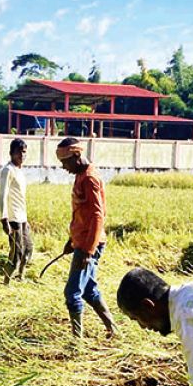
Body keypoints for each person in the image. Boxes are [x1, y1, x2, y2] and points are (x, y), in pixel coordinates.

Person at [56, 137, 119, 338]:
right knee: (89, 289)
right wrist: (71, 241)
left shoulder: (90, 178)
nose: (64, 167)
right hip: (82, 242)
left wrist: (88, 251)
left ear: (76, 156)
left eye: (65, 163)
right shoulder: (80, 175)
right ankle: (114, 330)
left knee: (72, 292)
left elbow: (97, 216)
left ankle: (77, 340)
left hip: (89, 244)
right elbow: (81, 215)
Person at [0, 139, 32, 283]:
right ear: (11, 153)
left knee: (28, 248)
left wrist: (26, 219)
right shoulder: (8, 170)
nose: (22, 155)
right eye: (19, 152)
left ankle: (21, 275)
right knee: (16, 252)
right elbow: (2, 194)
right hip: (13, 218)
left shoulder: (19, 171)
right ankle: (6, 281)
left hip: (22, 217)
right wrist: (4, 218)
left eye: (24, 152)